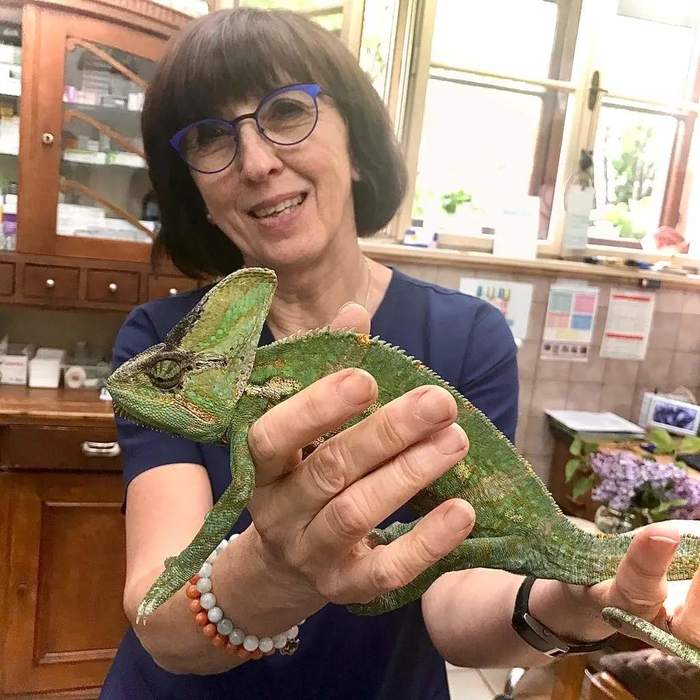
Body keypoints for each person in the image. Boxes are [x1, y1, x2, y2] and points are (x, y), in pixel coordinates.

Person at [101, 8, 700, 699]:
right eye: (211, 137)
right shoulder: (157, 340)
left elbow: (459, 579)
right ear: (196, 193)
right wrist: (274, 570)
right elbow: (157, 615)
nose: (259, 162)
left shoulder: (467, 336)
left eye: (287, 111)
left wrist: (568, 600)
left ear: (357, 145)